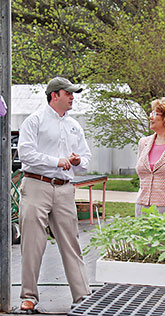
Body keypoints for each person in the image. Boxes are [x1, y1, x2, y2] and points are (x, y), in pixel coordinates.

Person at [17, 77, 92, 311]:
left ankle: (82, 296)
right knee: (32, 242)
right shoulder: (34, 120)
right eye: (68, 93)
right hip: (36, 185)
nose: (72, 97)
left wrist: (79, 161)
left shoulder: (74, 126)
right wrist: (56, 161)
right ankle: (28, 296)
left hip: (64, 189)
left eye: (73, 94)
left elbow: (86, 161)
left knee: (71, 242)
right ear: (54, 95)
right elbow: (26, 154)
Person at [135, 97, 165, 216]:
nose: (150, 117)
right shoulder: (143, 143)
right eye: (151, 113)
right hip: (142, 207)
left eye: (155, 113)